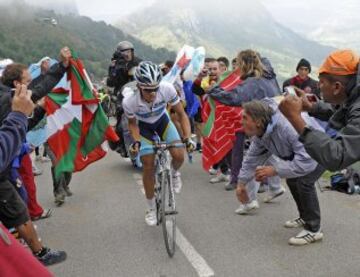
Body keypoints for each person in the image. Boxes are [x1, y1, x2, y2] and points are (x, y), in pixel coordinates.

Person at [237, 99, 325, 245]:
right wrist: (241, 184)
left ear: (258, 121)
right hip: (302, 155)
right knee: (292, 179)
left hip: (318, 151)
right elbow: (251, 159)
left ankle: (314, 230)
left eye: (244, 118)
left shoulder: (286, 127)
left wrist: (275, 170)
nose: (241, 122)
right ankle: (305, 216)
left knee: (304, 182)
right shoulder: (261, 133)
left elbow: (306, 161)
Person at [0, 84, 67, 266]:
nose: (28, 85)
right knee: (19, 211)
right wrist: (18, 116)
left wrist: (36, 112)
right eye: (25, 80)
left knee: (20, 206)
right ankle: (39, 253)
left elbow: (24, 126)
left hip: (8, 168)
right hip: (7, 170)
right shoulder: (6, 102)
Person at [123, 61, 195, 226]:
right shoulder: (130, 101)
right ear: (139, 86)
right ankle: (151, 208)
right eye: (148, 90)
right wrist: (136, 142)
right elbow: (133, 124)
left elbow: (182, 115)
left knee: (178, 155)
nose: (153, 93)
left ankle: (175, 173)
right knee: (148, 165)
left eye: (155, 88)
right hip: (144, 127)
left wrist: (187, 137)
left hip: (162, 121)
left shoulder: (167, 89)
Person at [279, 49, 360, 172]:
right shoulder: (353, 99)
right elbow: (341, 110)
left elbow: (337, 156)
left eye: (322, 82)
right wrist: (311, 107)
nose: (318, 86)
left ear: (337, 87)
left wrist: (295, 119)